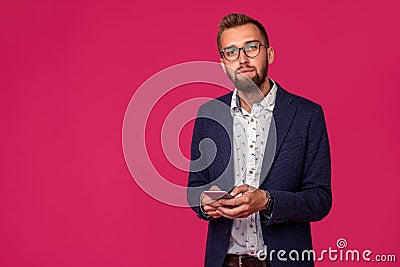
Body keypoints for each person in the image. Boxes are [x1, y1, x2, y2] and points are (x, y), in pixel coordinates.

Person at [187, 13, 332, 267]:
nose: (242, 59)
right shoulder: (208, 115)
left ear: (269, 54)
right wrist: (204, 201)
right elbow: (195, 188)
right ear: (223, 64)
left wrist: (267, 201)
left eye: (251, 47)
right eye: (231, 52)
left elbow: (320, 199)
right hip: (223, 261)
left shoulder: (307, 115)